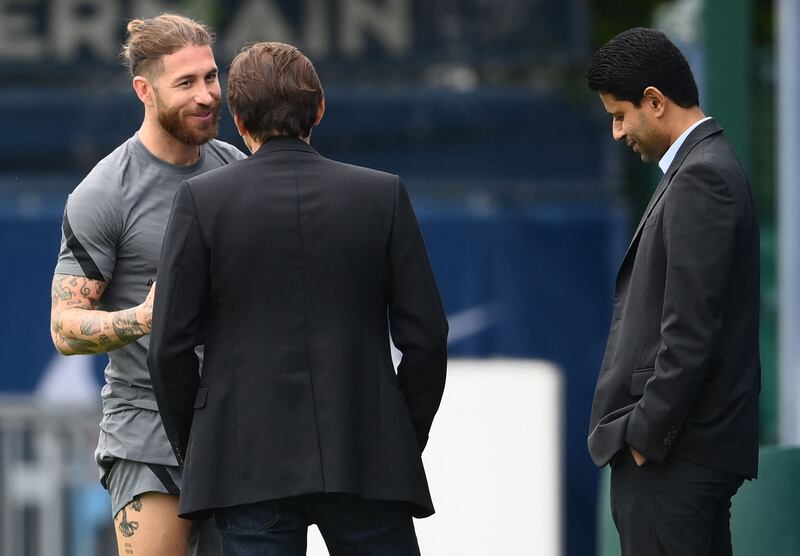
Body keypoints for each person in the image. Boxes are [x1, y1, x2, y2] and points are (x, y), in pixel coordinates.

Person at [147, 41, 448, 556]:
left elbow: (168, 348)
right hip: (365, 459)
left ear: (238, 119)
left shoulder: (202, 201)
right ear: (320, 108)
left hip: (247, 465)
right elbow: (426, 339)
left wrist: (201, 448)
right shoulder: (381, 195)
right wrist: (395, 435)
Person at [50, 13, 245, 556]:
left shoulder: (237, 170)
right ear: (144, 89)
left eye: (210, 77)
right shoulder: (104, 192)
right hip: (146, 428)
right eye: (186, 82)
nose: (207, 95)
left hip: (239, 425)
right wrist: (144, 316)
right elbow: (65, 329)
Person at [585, 27, 760, 555]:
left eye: (620, 116)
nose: (617, 133)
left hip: (674, 460)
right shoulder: (700, 170)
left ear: (655, 102)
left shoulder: (701, 178)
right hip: (682, 457)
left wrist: (644, 437)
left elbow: (689, 331)